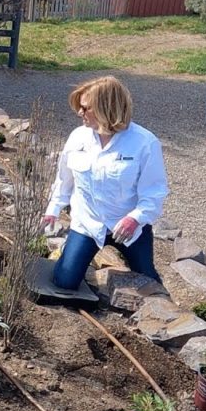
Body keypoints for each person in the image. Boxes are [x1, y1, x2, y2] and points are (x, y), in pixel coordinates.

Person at [43, 76, 169, 290]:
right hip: (88, 224)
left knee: (148, 282)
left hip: (128, 228)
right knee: (64, 281)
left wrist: (135, 219)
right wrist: (53, 209)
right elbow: (64, 179)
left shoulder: (145, 143)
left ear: (106, 108)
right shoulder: (77, 138)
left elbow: (155, 191)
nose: (79, 113)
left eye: (85, 108)